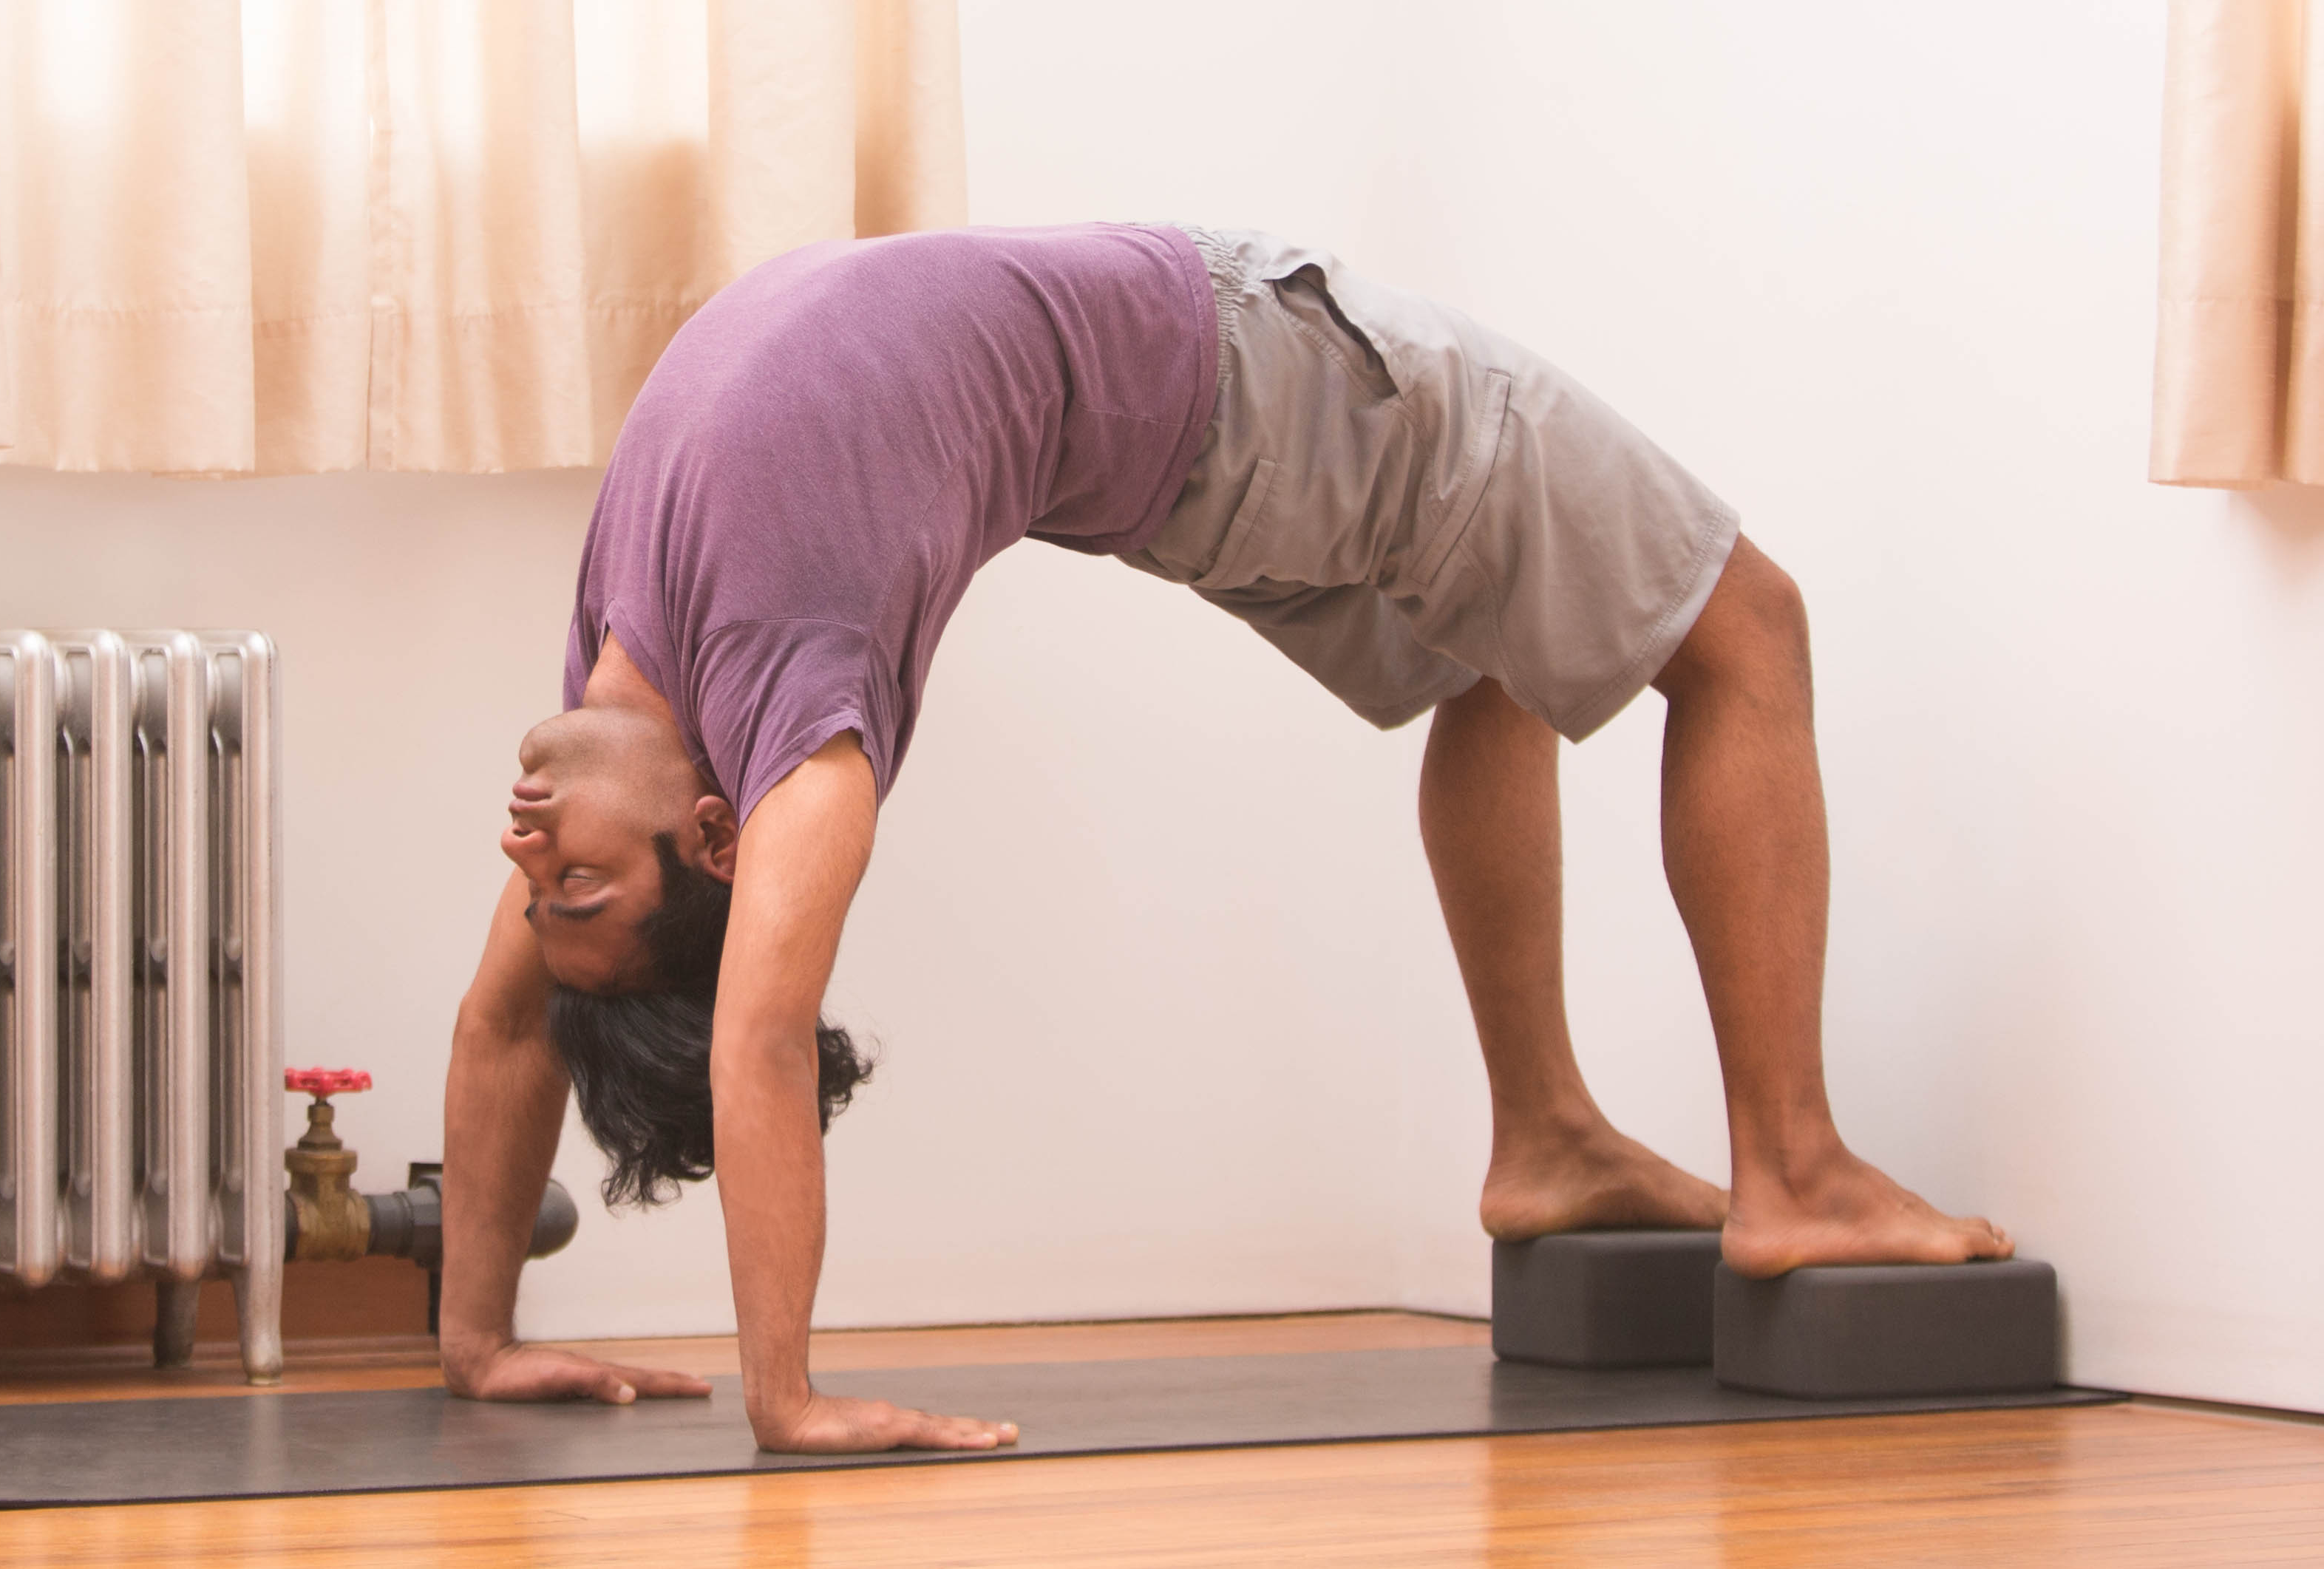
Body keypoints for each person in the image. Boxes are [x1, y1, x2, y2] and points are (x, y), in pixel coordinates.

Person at [436, 223, 2012, 1453]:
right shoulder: (802, 720)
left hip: (1180, 450)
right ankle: (1793, 1168)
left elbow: (508, 1023)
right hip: (1250, 384)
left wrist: (478, 1338)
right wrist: (786, 1397)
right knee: (1748, 627)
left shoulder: (618, 688)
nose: (524, 849)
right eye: (575, 879)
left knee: (1490, 661)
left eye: (540, 884)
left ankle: (1545, 1138)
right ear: (717, 838)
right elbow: (760, 1035)